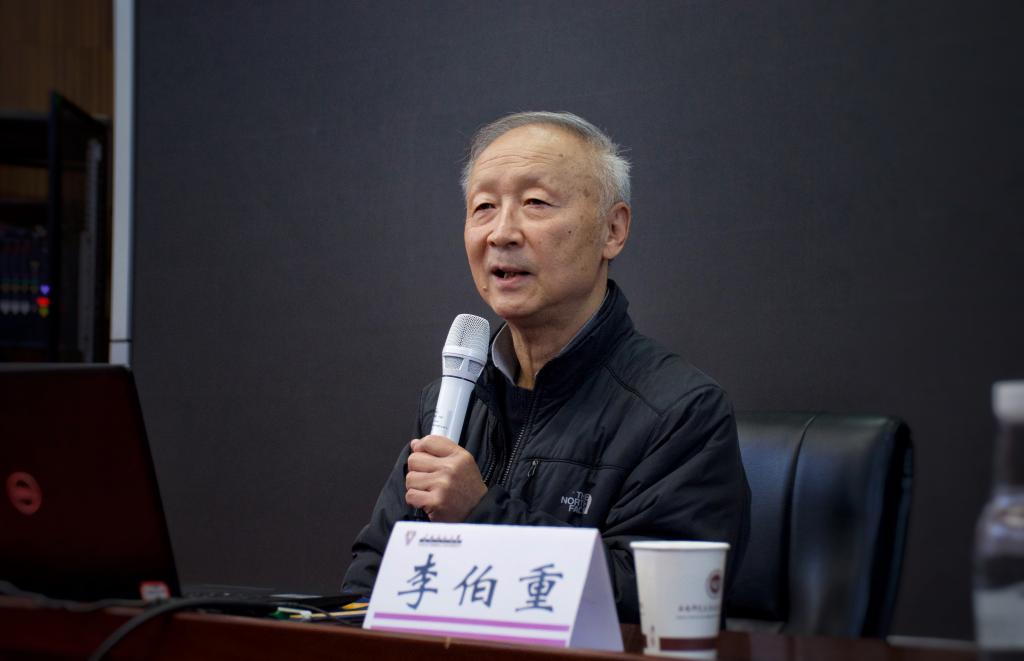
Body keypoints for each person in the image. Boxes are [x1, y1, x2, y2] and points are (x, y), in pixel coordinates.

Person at [342, 111, 750, 622]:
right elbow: (370, 581)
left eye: (535, 202)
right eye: (484, 207)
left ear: (613, 230)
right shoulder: (452, 400)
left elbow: (656, 607)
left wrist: (482, 514)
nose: (501, 233)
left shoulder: (679, 412)